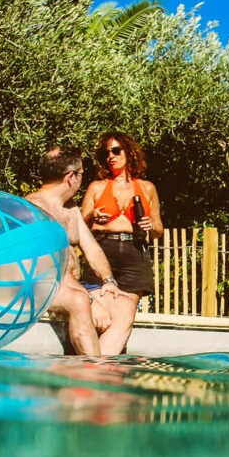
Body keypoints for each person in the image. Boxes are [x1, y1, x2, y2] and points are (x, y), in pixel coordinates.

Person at [24, 145, 122, 357]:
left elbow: (92, 249)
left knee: (119, 302)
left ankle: (109, 359)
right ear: (70, 177)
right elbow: (51, 267)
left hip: (67, 286)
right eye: (81, 175)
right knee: (79, 303)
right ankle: (95, 372)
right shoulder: (33, 208)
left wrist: (108, 281)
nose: (81, 180)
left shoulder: (70, 208)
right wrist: (88, 299)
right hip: (41, 286)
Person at [80, 132, 163, 356]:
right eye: (107, 153)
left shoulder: (147, 188)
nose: (111, 156)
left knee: (125, 314)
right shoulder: (97, 187)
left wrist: (149, 225)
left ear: (129, 153)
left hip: (134, 253)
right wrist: (93, 216)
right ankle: (100, 363)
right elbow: (81, 222)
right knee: (99, 313)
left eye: (116, 150)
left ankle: (107, 365)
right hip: (102, 249)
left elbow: (158, 230)